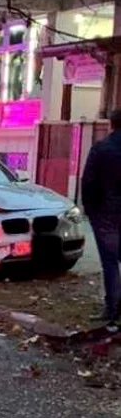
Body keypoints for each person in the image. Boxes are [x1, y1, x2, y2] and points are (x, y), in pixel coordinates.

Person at [82, 108, 121, 323]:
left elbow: (88, 182)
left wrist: (91, 211)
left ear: (111, 125)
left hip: (106, 214)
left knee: (110, 262)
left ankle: (112, 308)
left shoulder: (101, 149)